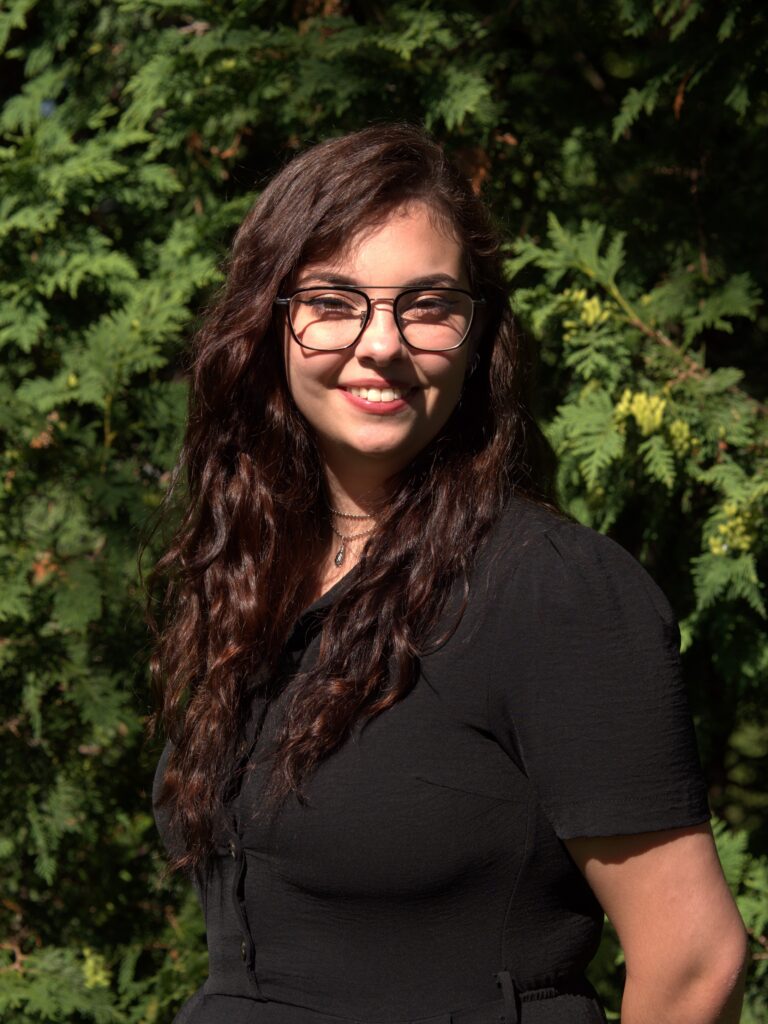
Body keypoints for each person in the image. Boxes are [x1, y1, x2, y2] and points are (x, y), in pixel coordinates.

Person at [148, 124, 748, 1024]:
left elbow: (695, 962)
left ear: (476, 340)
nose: (381, 343)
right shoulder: (254, 579)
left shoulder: (546, 588)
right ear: (270, 323)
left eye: (427, 305)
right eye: (335, 301)